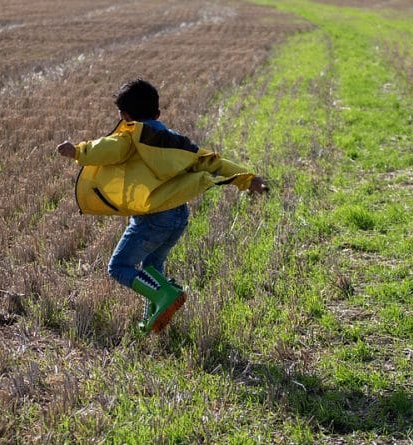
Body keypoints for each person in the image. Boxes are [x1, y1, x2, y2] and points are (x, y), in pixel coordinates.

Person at [57, 78, 267, 334]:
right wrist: (248, 178)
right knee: (152, 269)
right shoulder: (175, 143)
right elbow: (212, 161)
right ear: (157, 113)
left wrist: (78, 151)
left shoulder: (130, 136)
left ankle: (165, 294)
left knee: (119, 267)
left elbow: (108, 148)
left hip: (153, 218)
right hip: (178, 215)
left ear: (124, 116)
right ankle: (152, 319)